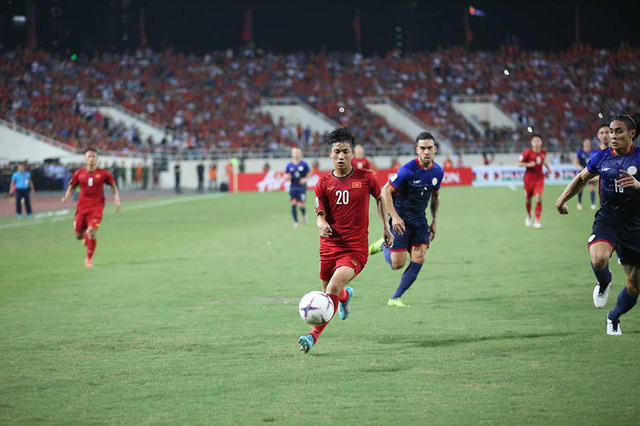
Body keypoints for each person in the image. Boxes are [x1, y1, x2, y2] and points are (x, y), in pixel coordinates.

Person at [298, 127, 393, 353]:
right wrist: (321, 223)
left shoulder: (366, 178)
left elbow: (380, 198)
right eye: (337, 151)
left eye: (346, 152)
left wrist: (385, 227)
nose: (341, 156)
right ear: (330, 153)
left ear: (353, 154)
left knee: (332, 286)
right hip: (329, 247)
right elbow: (319, 212)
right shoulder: (322, 183)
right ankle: (345, 297)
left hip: (354, 249)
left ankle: (312, 337)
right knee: (331, 293)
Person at [555, 113, 640, 335]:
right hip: (608, 219)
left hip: (635, 225)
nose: (613, 135)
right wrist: (562, 199)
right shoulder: (600, 157)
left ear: (632, 133)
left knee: (634, 287)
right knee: (599, 258)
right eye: (611, 131)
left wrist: (638, 185)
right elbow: (582, 178)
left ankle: (613, 317)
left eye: (618, 131)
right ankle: (604, 283)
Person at [369, 132, 443, 306]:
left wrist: (435, 220)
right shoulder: (408, 170)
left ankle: (395, 298)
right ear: (417, 149)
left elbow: (435, 197)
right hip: (401, 220)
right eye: (423, 148)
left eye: (429, 148)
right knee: (397, 265)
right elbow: (385, 191)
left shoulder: (438, 171)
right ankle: (383, 244)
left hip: (420, 221)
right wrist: (394, 217)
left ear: (435, 149)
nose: (426, 152)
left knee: (419, 257)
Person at [62, 149, 120, 267]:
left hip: (97, 207)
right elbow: (72, 186)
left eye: (93, 157)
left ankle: (88, 259)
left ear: (97, 158)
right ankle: (85, 237)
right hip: (82, 207)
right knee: (78, 235)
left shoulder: (104, 174)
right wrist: (67, 196)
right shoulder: (78, 173)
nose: (91, 159)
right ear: (85, 158)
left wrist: (116, 199)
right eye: (89, 157)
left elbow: (114, 187)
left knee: (92, 232)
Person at [518, 134, 552, 228]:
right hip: (528, 179)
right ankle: (529, 214)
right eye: (535, 141)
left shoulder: (543, 153)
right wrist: (528, 164)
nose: (536, 143)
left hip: (539, 178)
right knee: (528, 200)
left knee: (538, 199)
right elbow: (519, 163)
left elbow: (542, 161)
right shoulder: (527, 153)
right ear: (532, 143)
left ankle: (537, 220)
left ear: (541, 142)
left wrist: (548, 168)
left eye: (538, 141)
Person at [285, 148, 310, 228]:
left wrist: (305, 179)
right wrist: (287, 176)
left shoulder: (304, 164)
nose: (296, 154)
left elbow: (309, 173)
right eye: (295, 153)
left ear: (300, 154)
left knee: (301, 204)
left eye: (297, 153)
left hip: (301, 187)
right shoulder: (289, 165)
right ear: (292, 154)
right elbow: (285, 175)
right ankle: (296, 222)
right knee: (293, 203)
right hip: (293, 187)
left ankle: (304, 214)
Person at [574, 138, 596, 210]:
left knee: (592, 188)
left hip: (591, 173)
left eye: (588, 143)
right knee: (580, 189)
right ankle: (579, 203)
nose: (587, 144)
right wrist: (579, 167)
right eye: (586, 143)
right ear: (583, 143)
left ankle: (593, 204)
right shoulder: (580, 152)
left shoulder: (594, 152)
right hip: (582, 173)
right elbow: (575, 161)